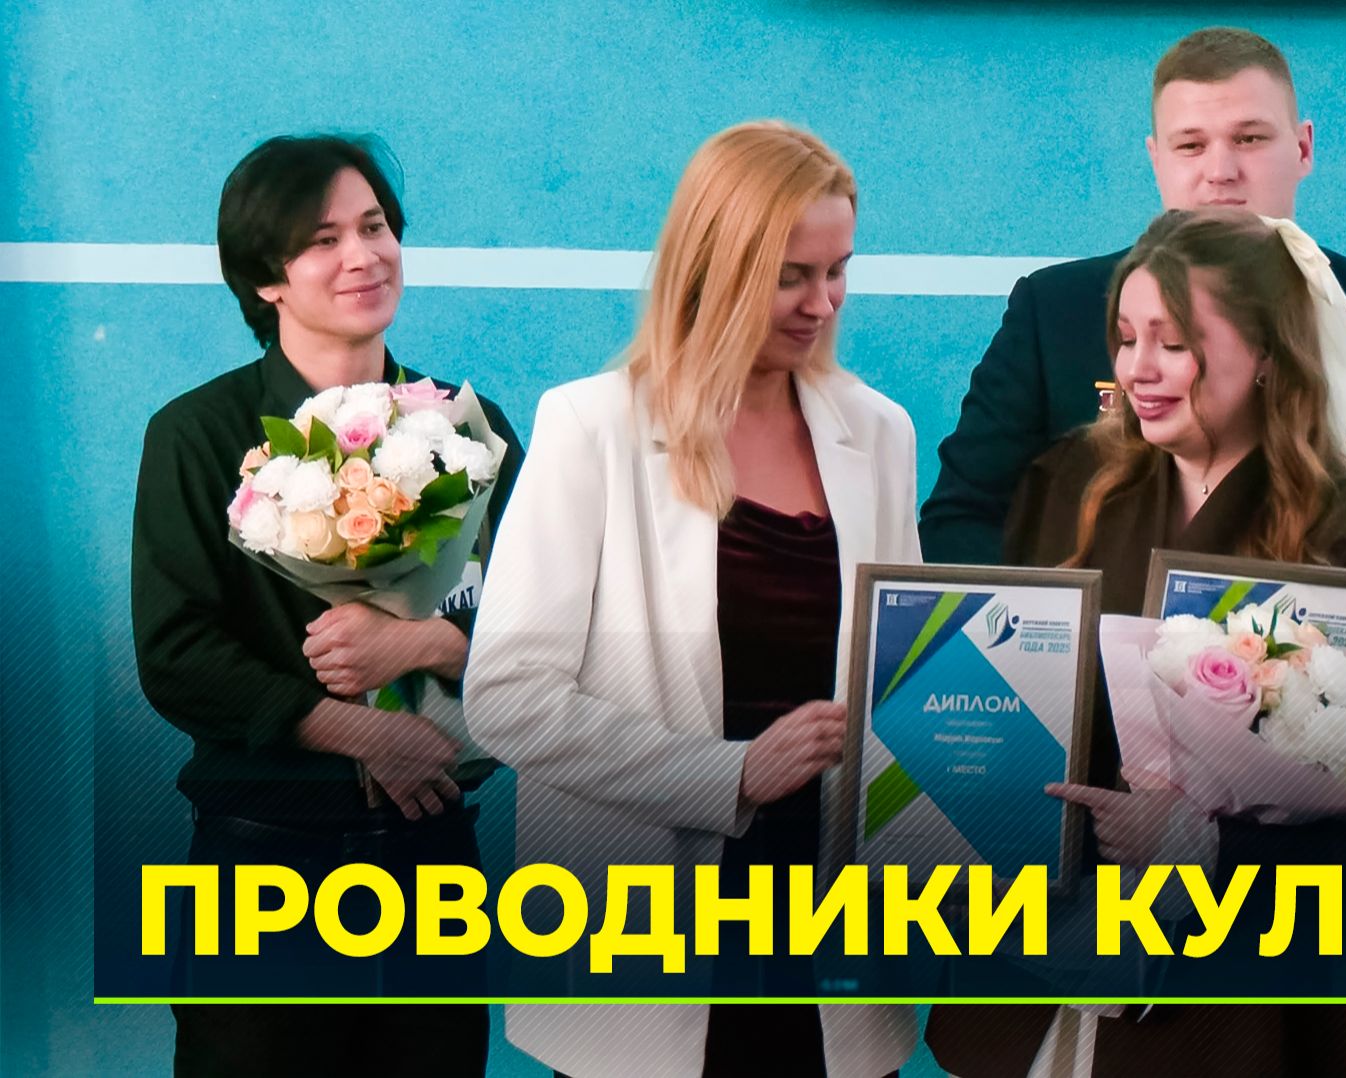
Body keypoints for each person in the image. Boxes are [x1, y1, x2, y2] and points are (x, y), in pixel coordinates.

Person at [928, 208, 1346, 1076]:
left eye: (1174, 342)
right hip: (1049, 990)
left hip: (1254, 1018)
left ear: (1268, 353)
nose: (1136, 369)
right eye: (1125, 338)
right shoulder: (1065, 487)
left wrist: (1205, 848)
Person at [464, 121, 918, 1078]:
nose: (824, 302)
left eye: (839, 270)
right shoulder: (590, 426)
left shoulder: (880, 432)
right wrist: (731, 775)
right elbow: (506, 697)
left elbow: (902, 688)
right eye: (792, 276)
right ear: (713, 266)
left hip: (830, 937)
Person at [131, 134, 523, 1076]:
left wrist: (425, 645)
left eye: (376, 226)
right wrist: (356, 731)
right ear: (266, 278)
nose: (363, 256)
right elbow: (177, 654)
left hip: (436, 859)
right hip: (264, 862)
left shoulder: (471, 427)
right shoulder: (197, 433)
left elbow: (539, 631)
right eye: (323, 239)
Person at [919, 25, 1346, 617]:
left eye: (1250, 138)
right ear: (1156, 159)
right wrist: (1075, 630)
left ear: (1303, 148)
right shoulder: (1056, 309)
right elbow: (961, 519)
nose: (1221, 171)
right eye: (1191, 145)